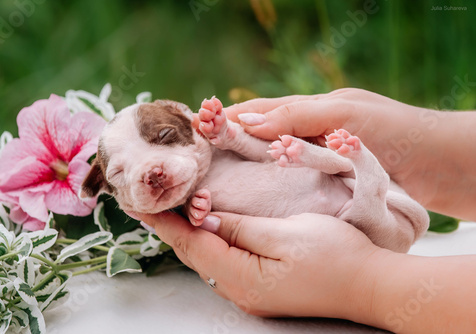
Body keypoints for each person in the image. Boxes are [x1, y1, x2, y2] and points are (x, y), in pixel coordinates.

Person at [136, 88, 476, 333]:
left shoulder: (206, 150)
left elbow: (257, 150)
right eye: (121, 174)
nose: (151, 172)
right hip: (336, 215)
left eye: (164, 136)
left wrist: (366, 283)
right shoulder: (190, 186)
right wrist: (434, 151)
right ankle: (361, 166)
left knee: (333, 166)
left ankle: (361, 164)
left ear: (179, 113)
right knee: (334, 172)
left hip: (334, 191)